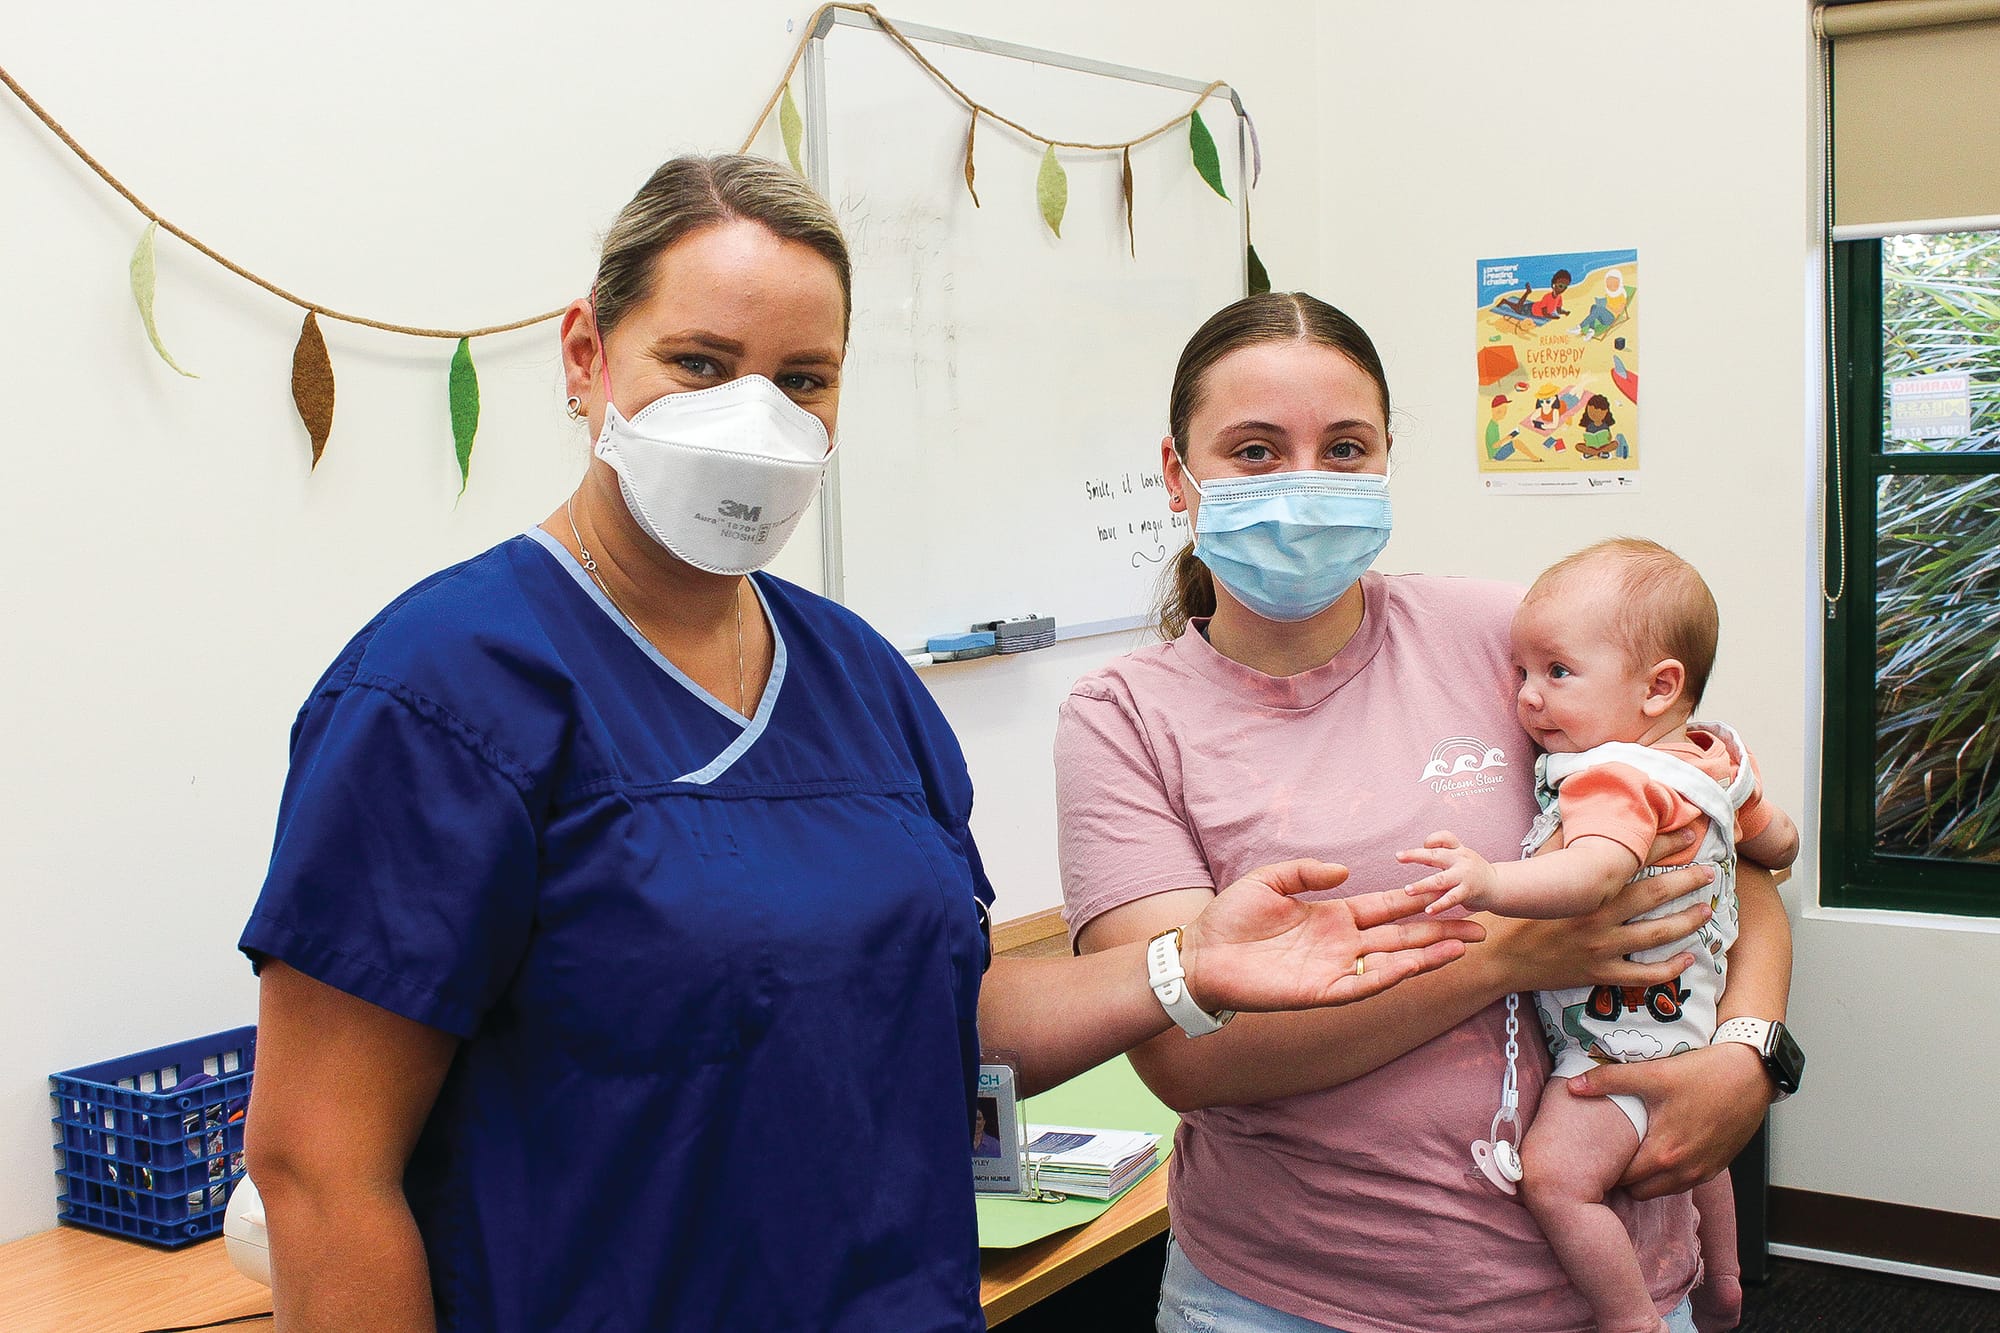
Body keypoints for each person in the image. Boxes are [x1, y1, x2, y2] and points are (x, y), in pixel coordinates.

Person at [235, 155, 1481, 1333]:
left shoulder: (855, 677)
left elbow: (945, 1006)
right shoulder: (445, 685)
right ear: (585, 355)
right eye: (699, 361)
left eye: (801, 378)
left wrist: (1186, 967)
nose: (755, 418)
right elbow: (315, 1165)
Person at [1055, 291, 1795, 1333]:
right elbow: (1188, 1055)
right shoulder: (1124, 718)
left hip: (1608, 1287)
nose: (1306, 484)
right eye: (1256, 451)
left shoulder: (1508, 640)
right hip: (1287, 1299)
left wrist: (1746, 1051)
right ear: (1177, 474)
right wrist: (1502, 956)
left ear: (1388, 458)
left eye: (1344, 448)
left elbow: (1724, 850)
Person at [1400, 539, 1800, 1333]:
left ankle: (1629, 1318)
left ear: (1658, 688)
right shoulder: (1720, 758)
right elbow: (1780, 842)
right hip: (1695, 1021)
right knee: (1700, 1152)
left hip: (1616, 1040)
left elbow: (1589, 876)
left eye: (1556, 673)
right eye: (1520, 674)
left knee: (1555, 1179)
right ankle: (1721, 1278)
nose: (1528, 699)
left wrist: (1487, 883)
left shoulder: (1612, 777)